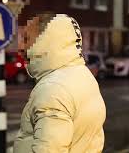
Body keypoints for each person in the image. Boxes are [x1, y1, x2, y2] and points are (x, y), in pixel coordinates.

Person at [14, 14, 106, 153]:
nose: (20, 47)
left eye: (27, 39)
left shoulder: (52, 90)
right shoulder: (83, 75)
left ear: (46, 41)